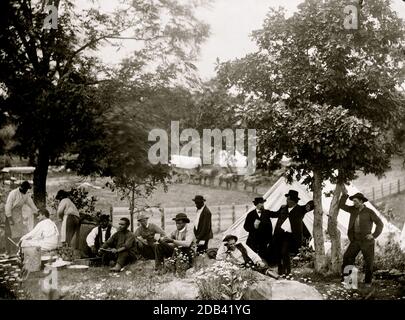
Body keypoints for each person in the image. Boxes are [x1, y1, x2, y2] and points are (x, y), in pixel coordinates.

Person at [339, 187, 383, 287]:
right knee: (347, 257)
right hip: (355, 240)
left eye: (355, 201)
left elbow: (380, 224)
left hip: (367, 241)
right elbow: (341, 205)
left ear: (361, 201)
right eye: (353, 201)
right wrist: (345, 195)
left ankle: (367, 282)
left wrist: (373, 235)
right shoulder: (352, 209)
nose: (353, 203)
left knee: (368, 261)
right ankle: (349, 281)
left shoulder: (369, 212)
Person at [269, 190, 314, 276]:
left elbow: (312, 204)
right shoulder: (283, 208)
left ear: (293, 201)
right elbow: (275, 214)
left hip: (290, 236)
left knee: (284, 252)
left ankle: (288, 271)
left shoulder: (300, 209)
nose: (286, 200)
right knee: (278, 252)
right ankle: (280, 269)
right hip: (279, 234)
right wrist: (265, 212)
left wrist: (309, 205)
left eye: (288, 199)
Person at [4, 181, 38, 256]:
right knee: (9, 233)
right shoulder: (13, 193)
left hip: (18, 215)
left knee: (19, 233)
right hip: (10, 214)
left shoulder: (26, 195)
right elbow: (8, 206)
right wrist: (9, 218)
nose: (26, 191)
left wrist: (37, 212)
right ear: (21, 187)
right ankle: (8, 251)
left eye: (27, 190)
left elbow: (31, 204)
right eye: (25, 189)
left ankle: (18, 251)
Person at [243, 197, 273, 261]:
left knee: (263, 256)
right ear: (256, 204)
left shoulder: (267, 212)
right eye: (260, 203)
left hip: (264, 239)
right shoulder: (250, 214)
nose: (262, 205)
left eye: (263, 203)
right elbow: (245, 227)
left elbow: (276, 214)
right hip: (253, 239)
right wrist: (253, 227)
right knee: (252, 256)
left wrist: (282, 208)